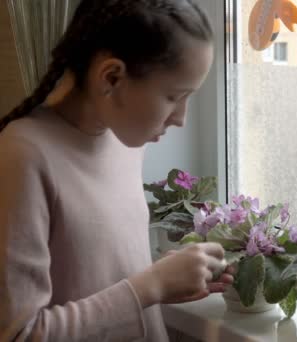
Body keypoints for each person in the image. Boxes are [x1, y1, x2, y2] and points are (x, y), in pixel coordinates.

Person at [0, 1, 233, 341]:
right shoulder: (22, 154)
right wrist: (150, 286)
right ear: (111, 77)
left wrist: (164, 279)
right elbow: (21, 334)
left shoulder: (126, 140)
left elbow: (97, 277)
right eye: (173, 96)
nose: (181, 118)